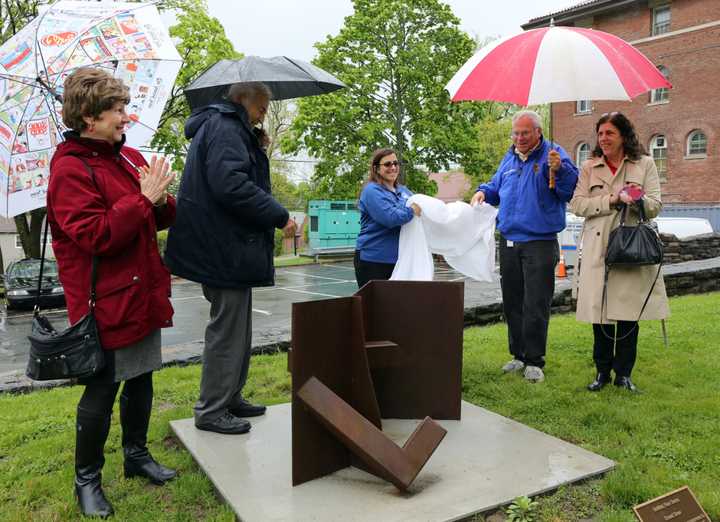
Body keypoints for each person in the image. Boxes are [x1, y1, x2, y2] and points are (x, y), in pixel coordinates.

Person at [47, 67, 177, 518]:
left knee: (142, 377)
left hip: (142, 292)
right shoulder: (69, 169)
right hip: (104, 302)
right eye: (117, 110)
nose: (126, 116)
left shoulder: (127, 157)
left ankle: (137, 456)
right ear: (88, 117)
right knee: (102, 391)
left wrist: (160, 200)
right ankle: (87, 480)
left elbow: (156, 219)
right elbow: (97, 235)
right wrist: (143, 199)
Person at [164, 82, 296, 435]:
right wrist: (279, 215)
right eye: (262, 103)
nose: (266, 109)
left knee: (238, 329)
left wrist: (254, 144)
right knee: (227, 330)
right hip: (222, 247)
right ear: (241, 98)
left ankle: (229, 397)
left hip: (229, 247)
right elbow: (230, 184)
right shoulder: (225, 126)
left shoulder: (229, 127)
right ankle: (211, 410)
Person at [470, 110, 579, 383]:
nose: (519, 138)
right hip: (509, 241)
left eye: (525, 133)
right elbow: (497, 187)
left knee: (536, 303)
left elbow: (567, 190)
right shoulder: (509, 158)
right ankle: (518, 355)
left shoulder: (554, 154)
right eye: (516, 133)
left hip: (539, 242)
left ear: (538, 132)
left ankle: (534, 360)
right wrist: (484, 191)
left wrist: (560, 170)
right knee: (513, 301)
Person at [569, 112, 669, 393]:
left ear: (624, 135)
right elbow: (577, 205)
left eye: (609, 133)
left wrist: (635, 198)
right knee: (599, 314)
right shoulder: (589, 167)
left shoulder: (645, 164)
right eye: (600, 134)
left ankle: (623, 374)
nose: (603, 138)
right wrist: (612, 199)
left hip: (629, 248)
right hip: (597, 249)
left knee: (628, 312)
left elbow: (655, 204)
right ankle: (601, 372)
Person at [354, 148, 421, 288]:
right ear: (376, 169)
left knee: (395, 306)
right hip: (374, 261)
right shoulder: (371, 191)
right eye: (387, 164)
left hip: (399, 260)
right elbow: (390, 218)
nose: (393, 167)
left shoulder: (403, 191)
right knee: (375, 306)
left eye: (396, 163)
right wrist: (411, 211)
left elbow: (421, 207)